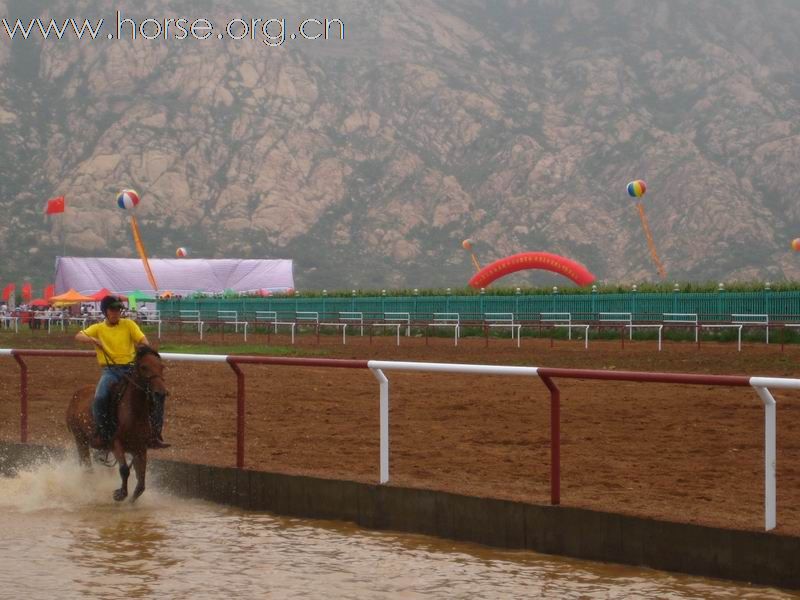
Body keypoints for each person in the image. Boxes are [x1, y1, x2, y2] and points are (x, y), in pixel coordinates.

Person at [75, 295, 170, 449]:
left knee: (158, 394)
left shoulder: (129, 324)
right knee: (100, 397)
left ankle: (155, 434)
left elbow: (143, 340)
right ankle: (102, 432)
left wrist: (144, 349)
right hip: (110, 372)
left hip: (131, 370)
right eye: (113, 309)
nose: (117, 312)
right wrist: (93, 340)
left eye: (119, 309)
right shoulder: (98, 328)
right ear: (105, 311)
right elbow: (79, 335)